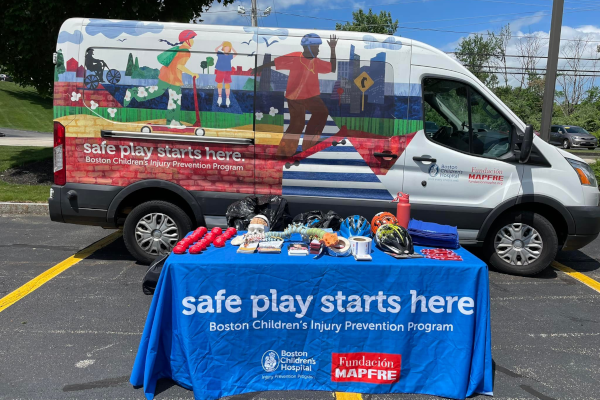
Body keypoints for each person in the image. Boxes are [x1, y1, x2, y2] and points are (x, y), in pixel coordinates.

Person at [254, 33, 338, 157]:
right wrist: (260, 67)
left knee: (322, 112)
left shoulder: (316, 62)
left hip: (311, 96)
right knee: (297, 124)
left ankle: (308, 145)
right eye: (316, 47)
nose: (318, 50)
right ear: (307, 47)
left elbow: (332, 68)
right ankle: (284, 153)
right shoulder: (295, 57)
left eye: (318, 47)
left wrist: (332, 49)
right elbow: (276, 62)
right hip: (295, 97)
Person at [124, 30, 199, 127]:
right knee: (175, 98)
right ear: (187, 40)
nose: (193, 41)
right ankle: (173, 121)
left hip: (165, 74)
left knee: (158, 91)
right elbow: (179, 66)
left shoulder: (178, 48)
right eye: (192, 39)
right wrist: (192, 73)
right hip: (173, 77)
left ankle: (133, 92)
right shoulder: (185, 52)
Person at [214, 41, 237, 107]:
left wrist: (231, 47)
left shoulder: (230, 56)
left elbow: (236, 53)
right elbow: (215, 49)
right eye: (225, 47)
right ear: (223, 48)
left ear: (229, 49)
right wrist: (221, 44)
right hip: (220, 70)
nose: (226, 49)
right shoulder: (220, 53)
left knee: (227, 85)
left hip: (227, 71)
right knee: (219, 84)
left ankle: (227, 98)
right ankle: (219, 97)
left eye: (228, 48)